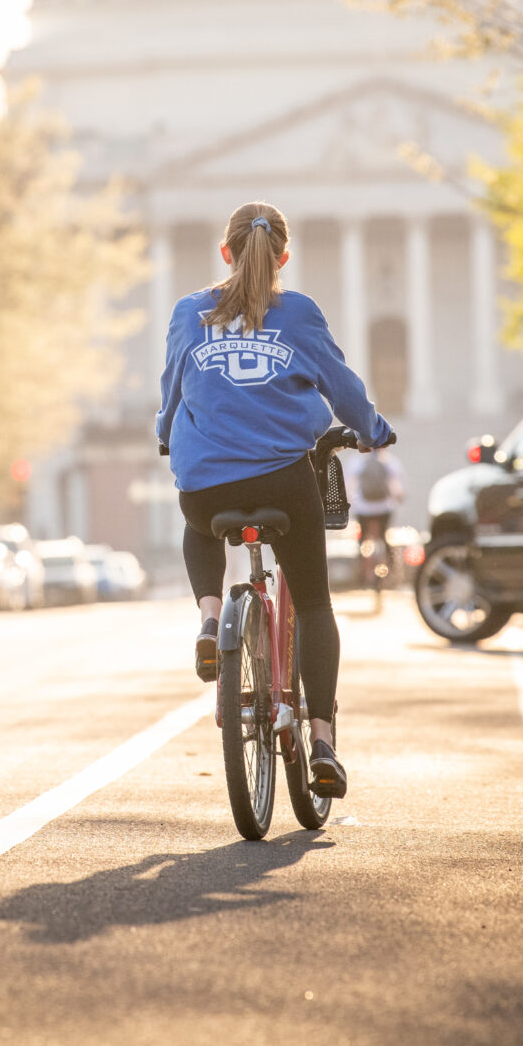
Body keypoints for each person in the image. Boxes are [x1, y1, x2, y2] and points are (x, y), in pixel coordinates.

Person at [155, 201, 393, 798]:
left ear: (225, 253)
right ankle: (322, 744)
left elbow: (172, 388)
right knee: (313, 604)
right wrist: (372, 430)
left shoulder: (190, 312)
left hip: (207, 485)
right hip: (284, 481)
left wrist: (167, 434)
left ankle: (211, 621)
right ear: (283, 256)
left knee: (198, 522)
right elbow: (343, 388)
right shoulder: (299, 314)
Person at [351, 445, 405, 588]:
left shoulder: (358, 461)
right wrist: (399, 497)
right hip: (384, 507)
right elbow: (395, 486)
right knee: (384, 537)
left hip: (363, 509)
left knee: (363, 540)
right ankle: (392, 572)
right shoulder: (389, 462)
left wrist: (349, 500)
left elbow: (350, 484)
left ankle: (362, 575)